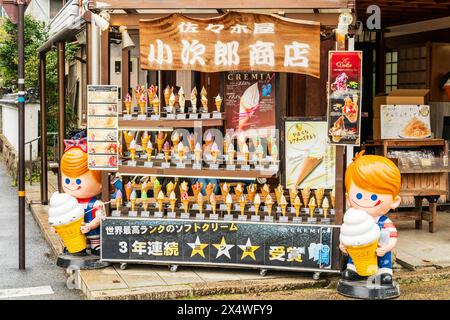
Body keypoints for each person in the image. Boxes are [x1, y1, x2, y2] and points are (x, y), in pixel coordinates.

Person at [340, 151, 401, 285]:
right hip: (357, 253)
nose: (367, 199)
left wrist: (387, 247)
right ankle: (354, 269)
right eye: (359, 196)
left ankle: (384, 271)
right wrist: (343, 246)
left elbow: (392, 236)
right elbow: (346, 234)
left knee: (383, 256)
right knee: (354, 256)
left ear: (394, 201)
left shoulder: (384, 222)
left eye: (374, 197)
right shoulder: (352, 220)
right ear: (348, 198)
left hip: (381, 251)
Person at [60, 138, 104, 255]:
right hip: (77, 236)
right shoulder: (69, 202)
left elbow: (100, 217)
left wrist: (90, 226)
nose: (73, 184)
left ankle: (95, 245)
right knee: (77, 245)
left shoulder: (96, 204)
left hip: (93, 232)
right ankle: (78, 246)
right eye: (67, 180)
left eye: (78, 181)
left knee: (95, 244)